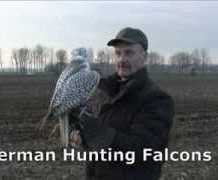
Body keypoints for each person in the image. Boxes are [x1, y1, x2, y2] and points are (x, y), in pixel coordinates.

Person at [69, 27, 174, 180]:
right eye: (118, 53)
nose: (121, 59)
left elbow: (140, 152)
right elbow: (99, 142)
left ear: (144, 57)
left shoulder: (157, 100)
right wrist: (80, 135)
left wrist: (92, 129)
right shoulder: (105, 92)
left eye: (129, 53)